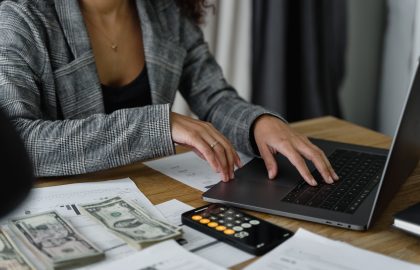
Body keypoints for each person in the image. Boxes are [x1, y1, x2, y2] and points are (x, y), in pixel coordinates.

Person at [0, 0, 338, 186]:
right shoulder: (21, 15)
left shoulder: (167, 12)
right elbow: (18, 142)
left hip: (148, 191)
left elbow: (214, 96)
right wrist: (158, 125)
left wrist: (259, 123)